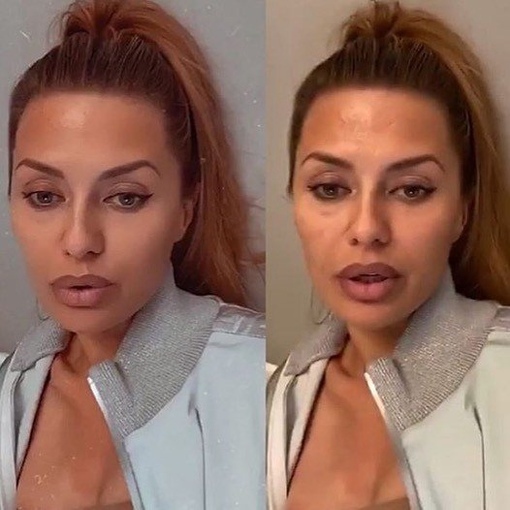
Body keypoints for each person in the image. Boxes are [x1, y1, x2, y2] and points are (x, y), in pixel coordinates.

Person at [0, 1, 265, 509]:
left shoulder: (259, 385)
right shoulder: (10, 397)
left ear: (185, 209)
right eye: (44, 196)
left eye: (125, 198)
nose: (80, 241)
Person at [266, 2, 510, 509]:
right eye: (330, 188)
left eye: (412, 189)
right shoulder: (274, 403)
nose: (367, 229)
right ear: (293, 201)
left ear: (462, 210)